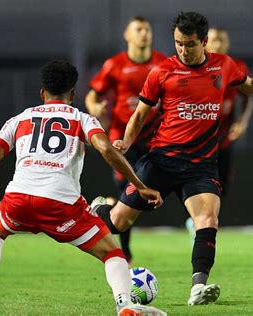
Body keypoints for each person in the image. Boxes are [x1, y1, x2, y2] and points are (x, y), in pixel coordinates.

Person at [94, 11, 253, 306]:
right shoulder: (162, 71)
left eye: (189, 44)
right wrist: (126, 141)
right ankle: (98, 210)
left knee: (207, 218)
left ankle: (198, 287)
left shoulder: (223, 66)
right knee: (118, 223)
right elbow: (139, 115)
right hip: (160, 161)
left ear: (205, 41)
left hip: (200, 166)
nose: (183, 50)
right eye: (178, 44)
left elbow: (251, 85)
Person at [0, 60, 166, 316]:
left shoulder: (21, 118)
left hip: (18, 199)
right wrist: (139, 185)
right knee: (112, 252)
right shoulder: (82, 118)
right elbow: (106, 150)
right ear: (72, 94)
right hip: (61, 204)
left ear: (42, 93)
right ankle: (124, 304)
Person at [85, 16, 166, 264]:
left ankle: (105, 207)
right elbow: (92, 96)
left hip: (153, 138)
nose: (144, 34)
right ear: (127, 35)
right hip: (121, 139)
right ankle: (126, 252)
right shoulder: (115, 64)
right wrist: (95, 109)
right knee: (127, 191)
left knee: (144, 195)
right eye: (139, 29)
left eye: (147, 29)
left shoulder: (162, 63)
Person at [185, 27, 253, 234]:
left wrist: (242, 122)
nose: (218, 44)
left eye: (222, 40)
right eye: (214, 39)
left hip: (222, 139)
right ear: (205, 42)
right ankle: (199, 219)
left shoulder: (235, 67)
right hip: (196, 140)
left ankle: (204, 220)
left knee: (222, 182)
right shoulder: (195, 66)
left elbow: (249, 95)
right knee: (193, 182)